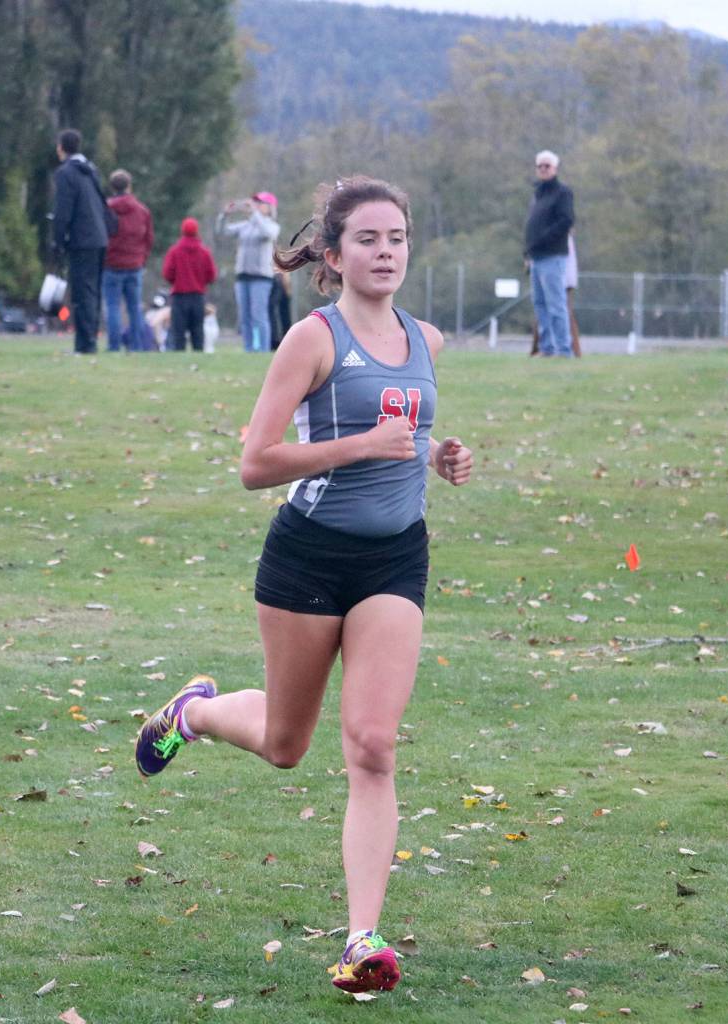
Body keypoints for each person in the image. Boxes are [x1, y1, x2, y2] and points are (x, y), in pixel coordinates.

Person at [135, 176, 474, 995]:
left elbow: (408, 432)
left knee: (373, 744)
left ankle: (363, 941)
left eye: (396, 238)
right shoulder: (311, 340)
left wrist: (440, 454)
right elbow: (256, 464)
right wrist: (358, 447)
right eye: (368, 239)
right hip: (308, 559)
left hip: (395, 559)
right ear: (333, 254)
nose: (385, 252)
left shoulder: (425, 338)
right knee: (286, 745)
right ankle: (193, 713)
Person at [51, 128, 114, 354]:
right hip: (99, 237)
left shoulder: (66, 173)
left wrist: (58, 240)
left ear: (61, 147)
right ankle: (89, 341)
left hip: (81, 239)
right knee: (92, 292)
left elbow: (63, 210)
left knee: (81, 293)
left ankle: (85, 345)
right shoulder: (90, 169)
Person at [524, 149, 575, 357]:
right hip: (535, 258)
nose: (543, 169)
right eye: (540, 166)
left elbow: (566, 220)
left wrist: (542, 239)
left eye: (547, 166)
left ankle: (564, 349)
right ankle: (547, 348)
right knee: (540, 305)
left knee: (556, 305)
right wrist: (527, 252)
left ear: (555, 168)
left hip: (553, 256)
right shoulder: (538, 194)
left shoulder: (563, 192)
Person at [217, 191, 281, 352]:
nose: (256, 206)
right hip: (242, 277)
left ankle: (262, 349)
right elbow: (222, 231)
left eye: (260, 203)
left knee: (259, 316)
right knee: (244, 317)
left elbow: (267, 233)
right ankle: (249, 349)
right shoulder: (246, 226)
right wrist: (224, 215)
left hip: (261, 278)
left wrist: (254, 213)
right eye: (255, 203)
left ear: (270, 208)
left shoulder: (272, 226)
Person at [103, 169, 154, 353]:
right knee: (134, 308)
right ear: (129, 186)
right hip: (134, 265)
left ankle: (114, 345)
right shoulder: (142, 211)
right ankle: (137, 345)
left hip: (111, 264)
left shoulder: (106, 209)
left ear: (112, 187)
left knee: (112, 307)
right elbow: (149, 239)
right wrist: (142, 258)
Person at [162, 217, 217, 352]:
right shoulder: (204, 252)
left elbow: (167, 273)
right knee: (197, 331)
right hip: (198, 297)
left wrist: (176, 282)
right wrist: (201, 283)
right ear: (197, 231)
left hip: (179, 297)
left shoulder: (175, 251)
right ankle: (198, 356)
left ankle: (179, 356)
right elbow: (211, 275)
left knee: (178, 332)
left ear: (182, 231)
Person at [531, 232, 581, 357]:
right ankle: (543, 348)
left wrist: (567, 282)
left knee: (561, 313)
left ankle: (567, 349)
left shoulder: (562, 240)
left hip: (562, 282)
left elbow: (567, 264)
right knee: (548, 312)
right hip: (560, 281)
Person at [269, 270, 292, 350]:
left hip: (278, 280)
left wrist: (286, 281)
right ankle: (277, 341)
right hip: (276, 279)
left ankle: (279, 341)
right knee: (278, 313)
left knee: (278, 312)